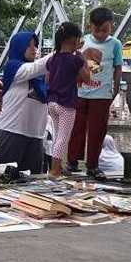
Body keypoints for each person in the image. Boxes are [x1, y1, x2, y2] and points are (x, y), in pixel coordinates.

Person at [67, 7, 123, 181]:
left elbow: (118, 67)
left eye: (105, 30)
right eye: (96, 30)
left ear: (111, 27)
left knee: (97, 131)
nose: (100, 34)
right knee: (77, 128)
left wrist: (115, 88)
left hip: (102, 94)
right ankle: (72, 161)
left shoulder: (115, 44)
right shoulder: (83, 41)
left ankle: (93, 165)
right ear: (90, 26)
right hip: (81, 92)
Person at [0, 31, 51, 173]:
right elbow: (37, 67)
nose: (34, 49)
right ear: (19, 47)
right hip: (11, 132)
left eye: (35, 45)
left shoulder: (41, 76)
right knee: (5, 180)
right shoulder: (13, 67)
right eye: (29, 45)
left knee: (32, 182)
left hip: (36, 134)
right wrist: (61, 52)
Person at [45, 22, 91, 177]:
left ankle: (56, 166)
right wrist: (82, 57)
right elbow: (87, 77)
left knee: (57, 136)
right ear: (74, 40)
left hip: (52, 102)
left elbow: (47, 79)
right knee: (63, 138)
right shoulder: (75, 59)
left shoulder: (52, 59)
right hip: (67, 104)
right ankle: (55, 169)